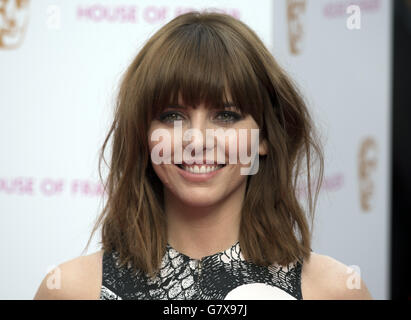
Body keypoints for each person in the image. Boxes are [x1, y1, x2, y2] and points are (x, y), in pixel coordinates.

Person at [34, 10, 373, 300]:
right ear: (144, 136)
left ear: (264, 138)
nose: (196, 140)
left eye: (226, 115)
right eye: (172, 116)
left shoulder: (332, 290)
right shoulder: (72, 289)